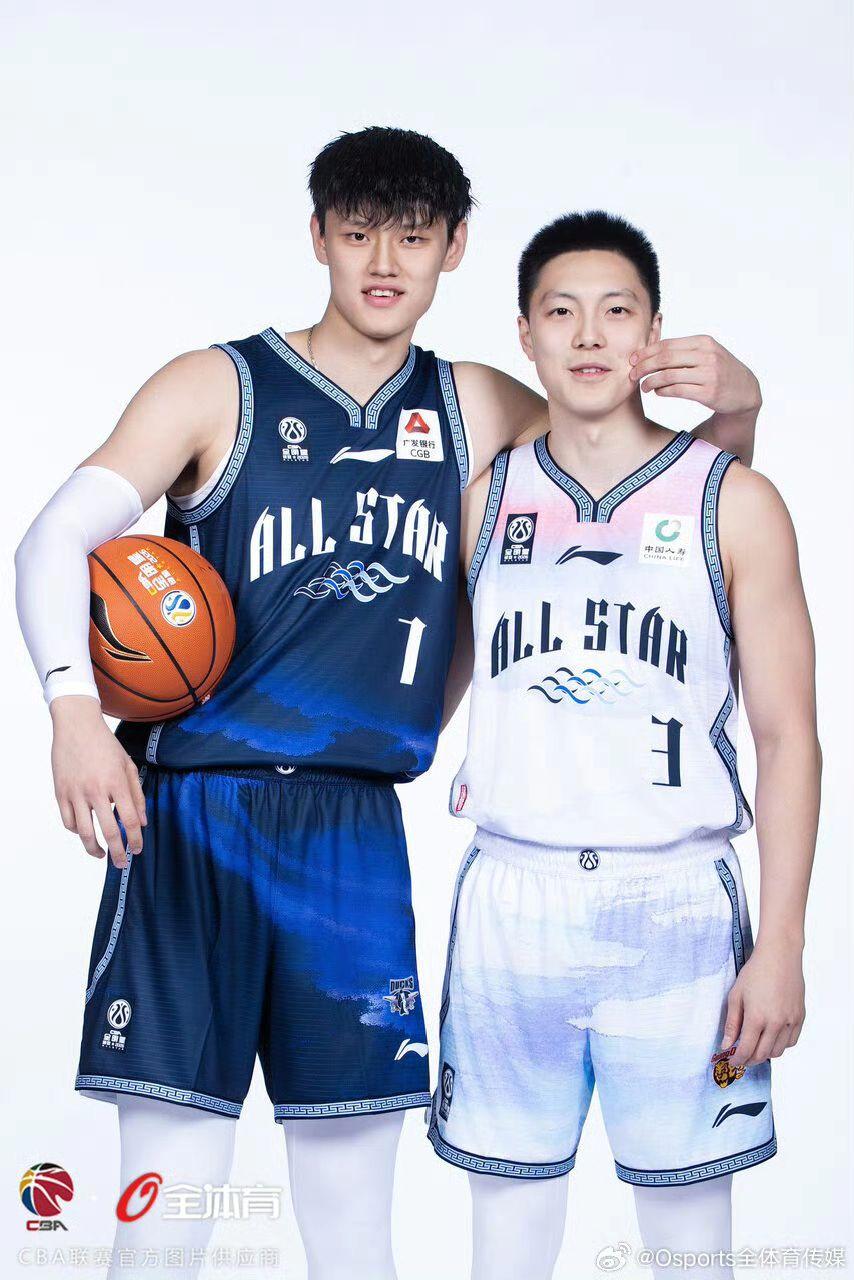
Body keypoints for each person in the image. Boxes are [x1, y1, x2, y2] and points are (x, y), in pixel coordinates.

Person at [15, 130, 762, 1280]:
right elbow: (55, 537)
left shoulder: (476, 404)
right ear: (317, 235)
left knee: (352, 1215)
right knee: (169, 1201)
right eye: (357, 232)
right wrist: (73, 708)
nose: (382, 261)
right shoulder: (217, 384)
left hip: (352, 828)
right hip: (191, 815)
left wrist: (739, 409)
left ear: (452, 248)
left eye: (411, 236)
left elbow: (652, 501)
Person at [429, 211, 820, 1280]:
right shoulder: (485, 500)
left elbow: (788, 737)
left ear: (653, 330)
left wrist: (781, 943)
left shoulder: (735, 501)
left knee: (690, 1250)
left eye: (617, 310)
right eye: (561, 311)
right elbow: (423, 685)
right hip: (512, 900)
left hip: (678, 909)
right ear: (525, 334)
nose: (589, 334)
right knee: (505, 1246)